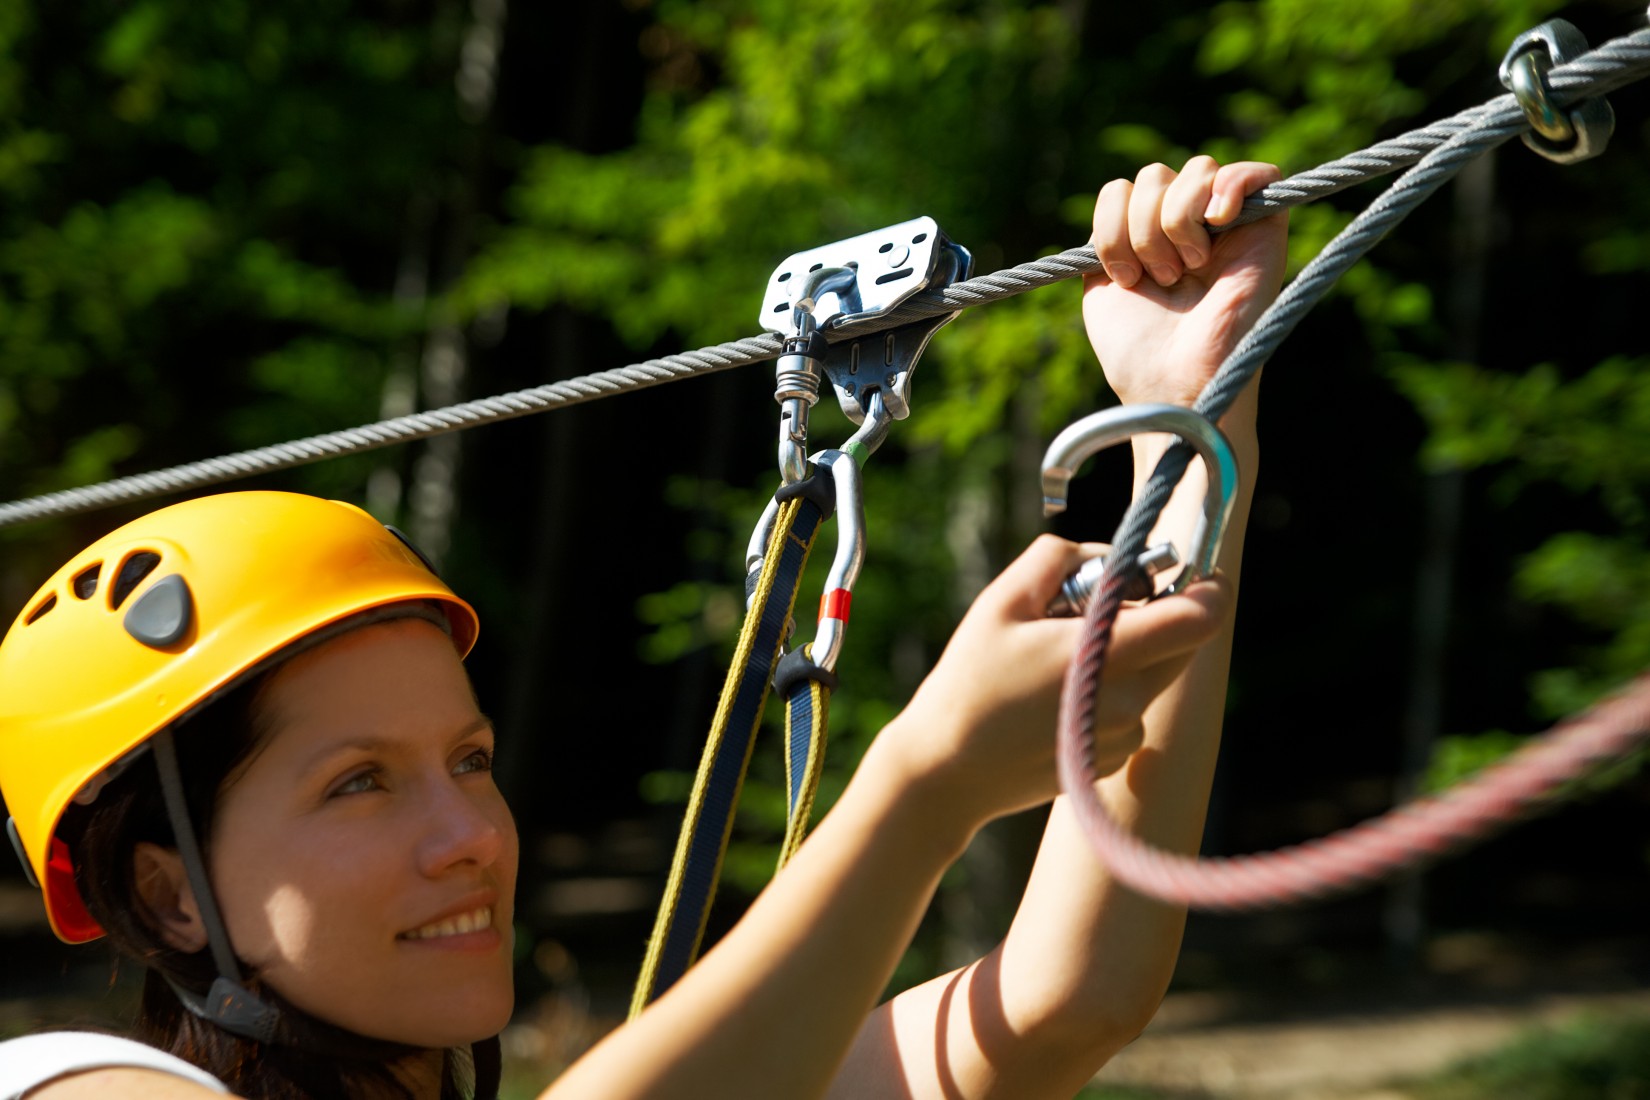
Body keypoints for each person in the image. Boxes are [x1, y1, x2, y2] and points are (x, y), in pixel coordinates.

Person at [0, 154, 1284, 1100]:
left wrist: (1190, 435)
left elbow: (1062, 1000)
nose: (469, 838)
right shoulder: (71, 1084)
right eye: (358, 782)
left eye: (469, 759)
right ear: (169, 897)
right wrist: (922, 782)